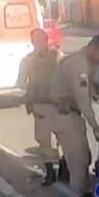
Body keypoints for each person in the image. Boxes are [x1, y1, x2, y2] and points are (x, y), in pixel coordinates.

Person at [51, 35, 99, 197]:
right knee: (79, 162)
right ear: (92, 48)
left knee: (83, 159)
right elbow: (82, 99)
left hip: (68, 116)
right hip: (66, 116)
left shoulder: (84, 62)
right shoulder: (79, 65)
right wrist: (96, 126)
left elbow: (91, 90)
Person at [17, 28, 64, 185]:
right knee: (53, 140)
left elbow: (21, 83)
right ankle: (58, 171)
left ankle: (53, 172)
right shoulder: (56, 56)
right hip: (48, 106)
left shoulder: (31, 60)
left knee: (48, 141)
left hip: (47, 106)